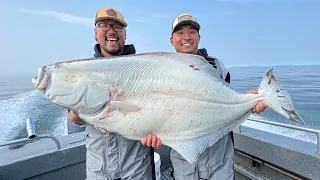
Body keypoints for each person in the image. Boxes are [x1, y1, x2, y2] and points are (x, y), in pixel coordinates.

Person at [141, 14, 267, 180]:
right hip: (184, 164)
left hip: (219, 163)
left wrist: (249, 101)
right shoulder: (162, 72)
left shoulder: (217, 67)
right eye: (180, 33)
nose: (187, 37)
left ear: (199, 37)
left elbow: (227, 100)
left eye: (192, 31)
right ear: (171, 40)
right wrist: (151, 130)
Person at [68, 7, 156, 180]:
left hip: (137, 169)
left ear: (125, 34)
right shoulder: (83, 72)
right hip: (99, 171)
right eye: (104, 25)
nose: (111, 31)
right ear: (95, 32)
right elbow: (74, 118)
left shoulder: (144, 69)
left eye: (117, 27)